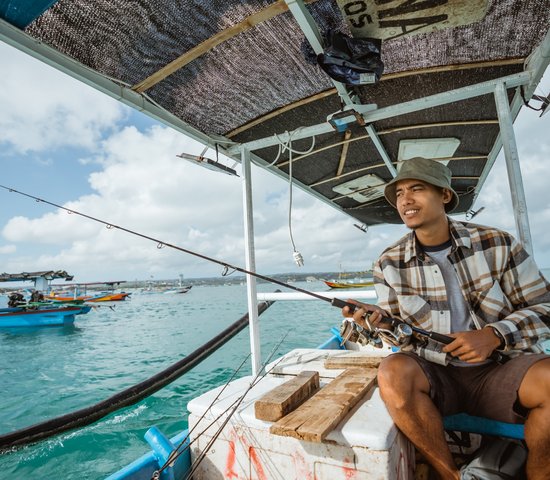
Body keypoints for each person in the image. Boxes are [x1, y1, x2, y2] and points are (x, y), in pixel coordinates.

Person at [342, 157, 550, 480]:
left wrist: (495, 335)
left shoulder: (498, 243)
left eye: (417, 189)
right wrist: (382, 323)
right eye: (399, 193)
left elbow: (545, 306)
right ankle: (450, 475)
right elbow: (400, 338)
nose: (405, 200)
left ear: (445, 195)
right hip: (437, 376)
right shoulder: (387, 264)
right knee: (392, 372)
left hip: (499, 369)